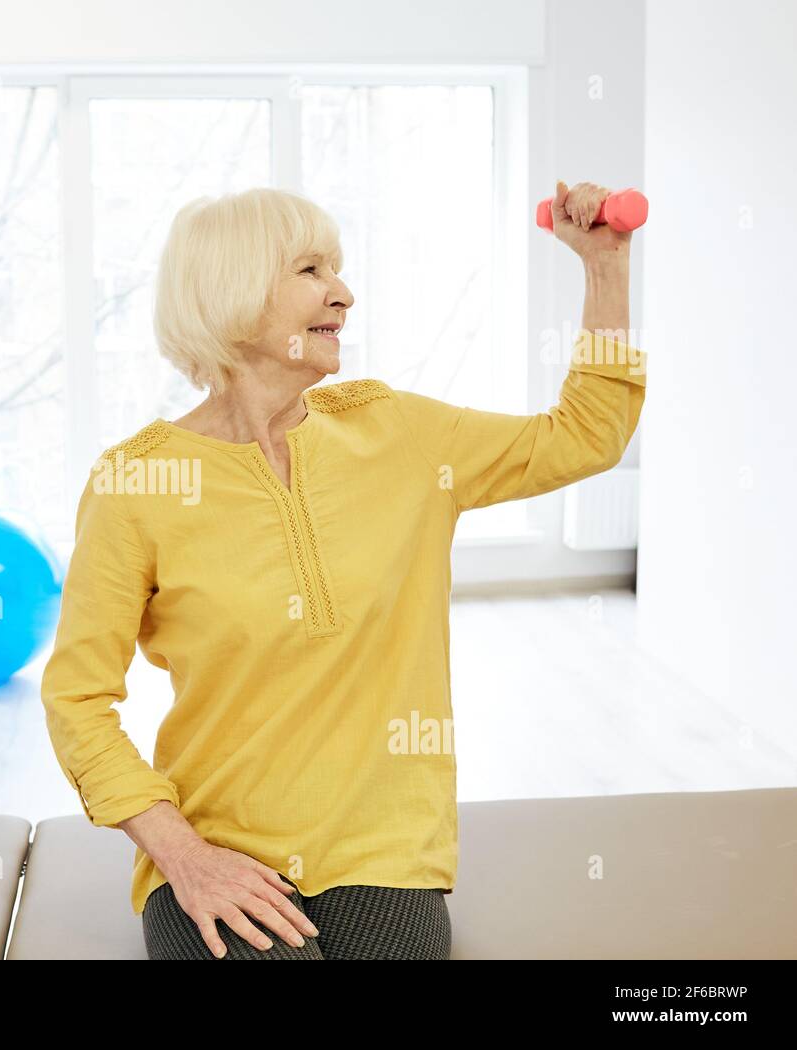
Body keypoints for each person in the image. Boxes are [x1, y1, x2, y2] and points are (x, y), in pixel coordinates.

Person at [41, 183, 645, 960]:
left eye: (338, 269)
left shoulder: (394, 431)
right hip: (218, 846)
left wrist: (605, 268)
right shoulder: (136, 483)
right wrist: (184, 857)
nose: (344, 294)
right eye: (311, 270)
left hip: (382, 850)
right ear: (233, 291)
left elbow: (587, 435)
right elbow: (78, 699)